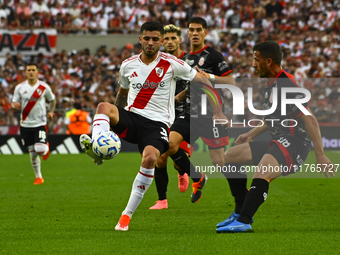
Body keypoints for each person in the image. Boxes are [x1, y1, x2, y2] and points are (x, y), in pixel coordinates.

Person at [79, 21, 228, 231]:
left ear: (161, 41)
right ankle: (98, 146)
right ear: (140, 39)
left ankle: (125, 217)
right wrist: (112, 125)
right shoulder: (128, 65)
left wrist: (218, 110)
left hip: (157, 124)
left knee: (151, 158)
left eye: (155, 39)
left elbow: (201, 82)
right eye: (147, 38)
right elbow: (121, 96)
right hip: (133, 118)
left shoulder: (173, 63)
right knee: (104, 106)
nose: (150, 42)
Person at [216, 41, 335, 233]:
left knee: (262, 172)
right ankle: (240, 212)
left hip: (295, 142)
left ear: (268, 61)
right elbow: (271, 119)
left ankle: (244, 221)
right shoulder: (271, 84)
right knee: (230, 156)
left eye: (256, 60)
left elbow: (310, 119)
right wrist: (250, 134)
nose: (253, 64)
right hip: (279, 140)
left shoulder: (286, 84)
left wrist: (320, 154)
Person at [162, 17, 236, 204]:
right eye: (192, 30)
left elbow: (230, 82)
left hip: (210, 114)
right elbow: (193, 84)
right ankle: (198, 177)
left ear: (205, 32)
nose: (195, 33)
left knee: (218, 161)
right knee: (170, 145)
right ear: (187, 33)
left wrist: (210, 76)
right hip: (188, 114)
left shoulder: (213, 56)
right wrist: (178, 97)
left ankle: (240, 191)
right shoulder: (185, 59)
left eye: (198, 30)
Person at [149, 24, 192, 210]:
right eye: (166, 39)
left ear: (180, 40)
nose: (169, 42)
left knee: (174, 156)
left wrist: (179, 97)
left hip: (184, 113)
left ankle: (183, 171)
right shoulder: (156, 61)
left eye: (173, 38)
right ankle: (162, 200)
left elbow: (199, 84)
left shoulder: (189, 61)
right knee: (160, 158)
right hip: (162, 113)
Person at [12, 63, 56, 185]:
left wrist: (51, 112)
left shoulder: (43, 87)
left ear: (37, 72)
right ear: (25, 72)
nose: (31, 72)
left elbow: (53, 100)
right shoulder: (19, 88)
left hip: (40, 123)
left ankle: (46, 147)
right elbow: (13, 102)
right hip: (25, 124)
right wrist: (14, 106)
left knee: (40, 150)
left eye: (33, 70)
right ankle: (39, 177)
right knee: (32, 153)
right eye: (29, 70)